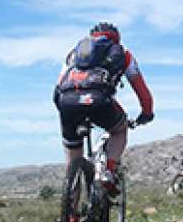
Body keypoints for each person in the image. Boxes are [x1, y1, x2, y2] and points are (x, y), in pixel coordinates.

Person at [54, 22, 154, 208]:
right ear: (116, 38)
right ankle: (107, 171)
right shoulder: (123, 54)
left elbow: (59, 86)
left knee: (73, 162)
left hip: (67, 103)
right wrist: (146, 114)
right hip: (99, 101)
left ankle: (73, 221)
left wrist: (65, 110)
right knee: (119, 129)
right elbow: (142, 92)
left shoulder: (74, 53)